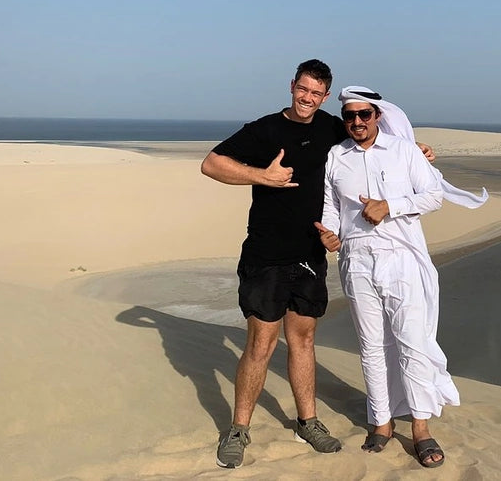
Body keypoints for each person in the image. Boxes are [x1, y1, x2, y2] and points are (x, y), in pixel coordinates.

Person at [201, 60, 435, 469]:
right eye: (302, 89)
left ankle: (307, 421)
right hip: (266, 253)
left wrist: (418, 150)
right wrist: (262, 176)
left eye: (316, 93)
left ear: (325, 96)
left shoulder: (333, 128)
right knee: (261, 343)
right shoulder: (264, 130)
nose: (307, 98)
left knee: (304, 340)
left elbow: (374, 138)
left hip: (311, 254)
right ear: (292, 85)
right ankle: (239, 429)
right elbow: (211, 164)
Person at [316, 86, 486, 469]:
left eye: (364, 114)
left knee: (412, 342)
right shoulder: (336, 156)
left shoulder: (404, 151)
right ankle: (381, 421)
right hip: (356, 260)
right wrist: (329, 233)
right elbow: (330, 205)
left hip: (402, 261)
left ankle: (421, 428)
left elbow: (432, 196)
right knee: (371, 345)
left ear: (377, 115)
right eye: (350, 116)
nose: (357, 121)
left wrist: (389, 206)